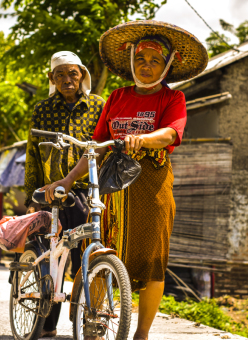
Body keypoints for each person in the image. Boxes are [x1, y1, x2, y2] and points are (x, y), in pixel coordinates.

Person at [43, 21, 208, 340]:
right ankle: (94, 322)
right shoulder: (117, 97)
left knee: (152, 261)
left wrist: (143, 139)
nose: (146, 66)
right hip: (111, 189)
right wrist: (66, 178)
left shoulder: (172, 99)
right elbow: (95, 146)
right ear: (132, 61)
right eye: (141, 59)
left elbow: (172, 133)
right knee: (102, 250)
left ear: (167, 66)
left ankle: (141, 333)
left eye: (155, 60)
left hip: (151, 188)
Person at [24, 51, 106, 337]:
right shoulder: (42, 110)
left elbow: (103, 145)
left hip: (87, 190)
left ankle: (89, 318)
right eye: (60, 75)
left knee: (88, 255)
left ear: (82, 74)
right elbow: (32, 154)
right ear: (51, 78)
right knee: (51, 257)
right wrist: (30, 198)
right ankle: (46, 324)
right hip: (51, 194)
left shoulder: (98, 105)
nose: (67, 79)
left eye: (72, 73)